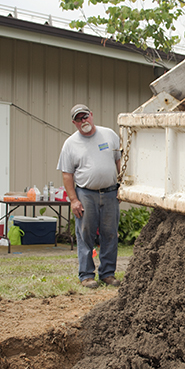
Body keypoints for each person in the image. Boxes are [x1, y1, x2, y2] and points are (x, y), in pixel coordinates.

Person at [57, 104, 122, 289]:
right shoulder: (70, 144)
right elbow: (67, 174)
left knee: (110, 234)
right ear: (74, 123)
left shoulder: (109, 135)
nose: (83, 120)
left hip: (110, 193)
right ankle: (86, 276)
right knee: (85, 235)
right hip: (85, 194)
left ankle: (108, 274)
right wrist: (73, 200)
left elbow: (119, 161)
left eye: (85, 116)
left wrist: (122, 186)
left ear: (91, 115)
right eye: (78, 119)